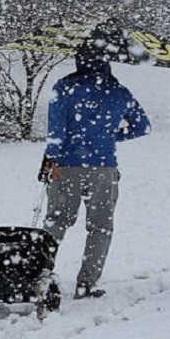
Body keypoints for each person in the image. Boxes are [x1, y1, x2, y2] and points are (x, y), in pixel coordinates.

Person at [37, 50, 151, 299]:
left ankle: (38, 275)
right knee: (100, 226)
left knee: (56, 221)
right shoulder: (119, 91)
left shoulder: (64, 87)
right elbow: (143, 126)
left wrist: (51, 158)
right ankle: (87, 282)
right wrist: (111, 136)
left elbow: (56, 131)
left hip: (66, 166)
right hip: (103, 168)